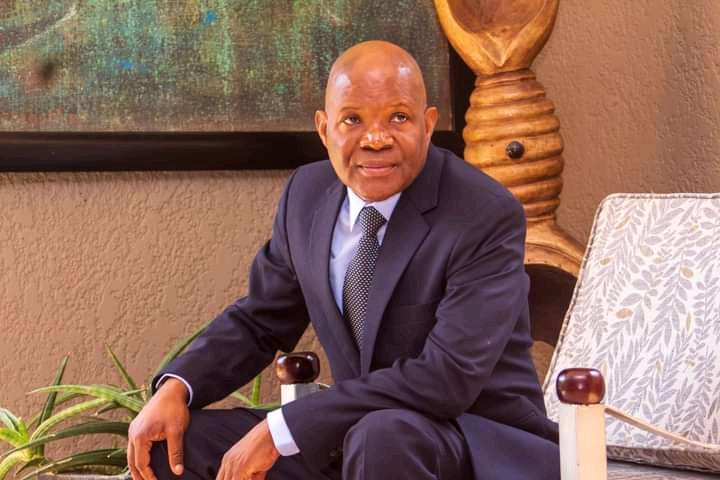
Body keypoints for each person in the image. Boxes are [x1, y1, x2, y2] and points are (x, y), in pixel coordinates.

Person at [127, 40, 560, 480]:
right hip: (355, 437)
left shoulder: (482, 214)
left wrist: (282, 429)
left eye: (399, 117)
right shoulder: (306, 195)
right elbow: (260, 320)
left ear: (428, 125)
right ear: (324, 128)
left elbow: (446, 378)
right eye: (353, 119)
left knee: (382, 436)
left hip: (470, 441)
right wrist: (177, 387)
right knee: (175, 447)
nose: (376, 139)